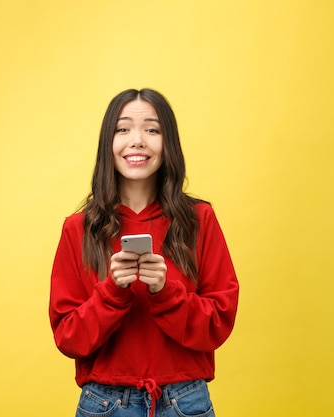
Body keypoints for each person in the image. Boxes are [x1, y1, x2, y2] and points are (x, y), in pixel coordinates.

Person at [49, 88, 239, 417]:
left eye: (152, 129)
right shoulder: (77, 228)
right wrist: (111, 292)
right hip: (104, 403)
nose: (137, 140)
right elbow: (68, 338)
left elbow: (219, 323)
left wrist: (165, 293)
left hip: (186, 401)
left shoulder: (199, 220)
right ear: (108, 143)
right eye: (123, 129)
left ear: (169, 145)